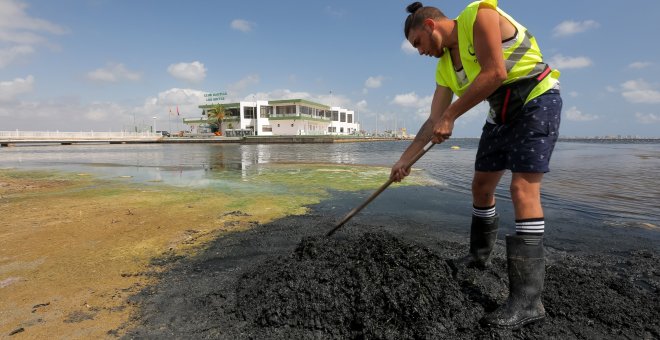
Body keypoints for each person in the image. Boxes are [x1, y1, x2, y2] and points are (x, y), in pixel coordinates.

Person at [391, 0, 562, 329]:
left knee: (522, 188)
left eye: (418, 43)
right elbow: (433, 120)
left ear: (430, 26)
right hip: (500, 113)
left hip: (536, 99)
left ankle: (528, 301)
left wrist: (451, 116)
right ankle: (478, 256)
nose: (419, 51)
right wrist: (405, 160)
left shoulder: (478, 13)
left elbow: (495, 72)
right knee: (481, 186)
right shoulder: (444, 67)